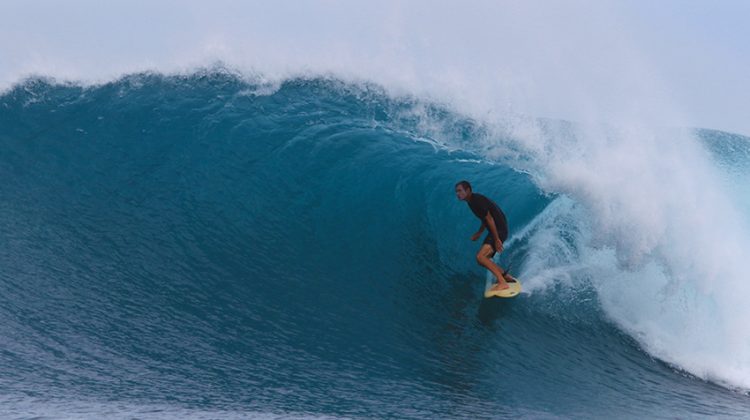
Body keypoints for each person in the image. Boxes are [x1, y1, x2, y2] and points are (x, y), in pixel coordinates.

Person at [455, 180, 515, 291]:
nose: (457, 194)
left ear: (468, 190)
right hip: (497, 229)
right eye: (456, 192)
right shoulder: (471, 201)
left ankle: (502, 283)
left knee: (481, 257)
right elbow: (485, 218)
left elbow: (489, 218)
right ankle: (505, 277)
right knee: (481, 259)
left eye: (460, 191)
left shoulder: (476, 201)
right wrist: (479, 232)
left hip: (499, 230)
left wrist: (497, 239)